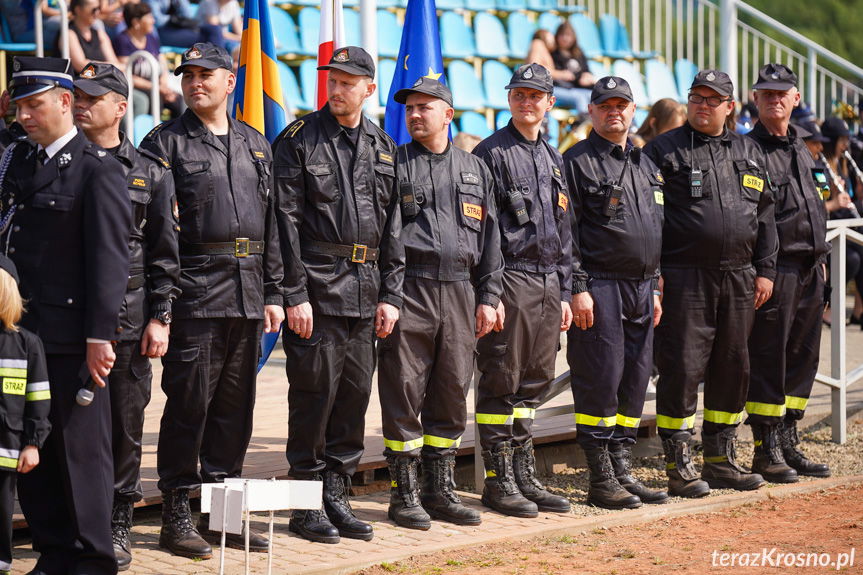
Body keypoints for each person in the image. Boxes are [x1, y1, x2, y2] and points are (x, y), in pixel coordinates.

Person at [139, 42, 284, 559]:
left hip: (247, 295)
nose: (196, 83)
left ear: (230, 82)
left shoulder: (256, 144)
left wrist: (274, 292)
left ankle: (221, 517)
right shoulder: (165, 144)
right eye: (189, 75)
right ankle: (176, 515)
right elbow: (155, 235)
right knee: (189, 408)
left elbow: (273, 226)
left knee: (234, 412)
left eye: (207, 75)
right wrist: (160, 308)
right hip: (194, 294)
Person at [4, 55, 131, 575]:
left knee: (79, 455)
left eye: (35, 105)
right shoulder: (16, 163)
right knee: (32, 447)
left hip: (71, 337)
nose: (26, 116)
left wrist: (100, 335)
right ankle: (54, 551)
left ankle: (92, 558)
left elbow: (109, 261)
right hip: (22, 335)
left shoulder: (97, 171)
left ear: (64, 102)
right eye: (19, 107)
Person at [273, 46, 403, 545]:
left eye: (349, 81)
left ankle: (337, 497)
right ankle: (304, 507)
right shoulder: (300, 140)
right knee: (313, 398)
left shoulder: (383, 147)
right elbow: (283, 222)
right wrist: (294, 293)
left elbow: (393, 229)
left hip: (367, 293)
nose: (338, 88)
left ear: (369, 88)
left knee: (352, 400)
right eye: (333, 79)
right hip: (318, 290)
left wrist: (392, 294)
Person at [645, 69, 778, 498]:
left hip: (740, 278)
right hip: (685, 277)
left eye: (712, 99)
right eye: (696, 98)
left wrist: (766, 269)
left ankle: (720, 459)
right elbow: (648, 221)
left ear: (729, 107)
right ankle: (679, 465)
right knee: (682, 368)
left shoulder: (749, 150)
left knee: (733, 366)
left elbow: (765, 216)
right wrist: (655, 274)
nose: (703, 105)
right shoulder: (663, 150)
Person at [379, 76, 501, 530]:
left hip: (461, 292)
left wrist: (489, 295)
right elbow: (387, 239)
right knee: (403, 390)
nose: (414, 114)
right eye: (410, 108)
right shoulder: (394, 165)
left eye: (425, 107)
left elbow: (491, 242)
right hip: (411, 289)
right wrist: (389, 296)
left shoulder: (475, 169)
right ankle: (404, 494)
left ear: (447, 114)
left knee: (452, 391)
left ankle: (440, 490)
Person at [72, 61, 180, 571]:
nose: (80, 103)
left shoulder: (150, 171)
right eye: (76, 95)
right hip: (67, 320)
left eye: (93, 97)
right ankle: (73, 521)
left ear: (121, 107)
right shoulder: (59, 162)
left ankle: (118, 519)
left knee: (124, 426)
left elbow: (164, 255)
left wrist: (161, 316)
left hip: (131, 322)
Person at [471, 63, 572, 518]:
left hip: (550, 282)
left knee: (533, 384)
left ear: (550, 103)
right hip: (511, 278)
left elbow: (566, 229)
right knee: (500, 381)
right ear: (509, 99)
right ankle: (498, 480)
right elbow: (485, 234)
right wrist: (490, 294)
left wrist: (567, 290)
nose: (526, 102)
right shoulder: (490, 153)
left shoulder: (553, 157)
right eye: (519, 94)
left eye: (536, 96)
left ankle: (524, 474)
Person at [562, 76, 668, 509]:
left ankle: (621, 466)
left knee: (634, 380)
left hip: (643, 289)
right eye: (605, 105)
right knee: (599, 379)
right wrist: (578, 287)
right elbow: (565, 234)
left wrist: (657, 286)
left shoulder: (645, 165)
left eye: (622, 105)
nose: (615, 112)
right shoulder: (575, 162)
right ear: (592, 111)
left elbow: (656, 229)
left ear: (633, 110)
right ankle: (600, 477)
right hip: (600, 285)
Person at [0, 255, 51, 575]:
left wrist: (33, 443)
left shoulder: (27, 345)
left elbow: (39, 400)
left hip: (6, 448)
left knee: (1, 509)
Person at [113, 3, 183, 119]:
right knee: (156, 99)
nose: (153, 21)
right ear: (136, 22)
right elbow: (127, 73)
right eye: (149, 18)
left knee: (177, 100)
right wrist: (156, 88)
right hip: (140, 87)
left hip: (158, 85)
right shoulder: (122, 41)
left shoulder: (151, 37)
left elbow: (162, 63)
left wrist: (163, 85)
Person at [65, 0, 122, 73]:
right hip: (80, 82)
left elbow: (115, 63)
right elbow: (81, 66)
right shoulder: (69, 34)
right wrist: (110, 67)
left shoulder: (100, 34)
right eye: (94, 9)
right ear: (78, 10)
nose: (97, 13)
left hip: (102, 80)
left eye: (99, 8)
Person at [550, 22, 595, 112]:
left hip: (577, 88)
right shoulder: (552, 53)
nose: (565, 38)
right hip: (560, 88)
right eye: (562, 35)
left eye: (568, 35)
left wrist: (587, 76)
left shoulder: (578, 53)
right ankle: (584, 124)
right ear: (557, 36)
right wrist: (562, 75)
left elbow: (586, 71)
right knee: (580, 98)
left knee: (594, 96)